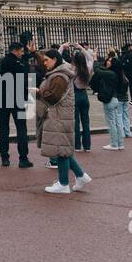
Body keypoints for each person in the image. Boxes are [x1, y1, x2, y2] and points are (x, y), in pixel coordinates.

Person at [38, 49, 92, 194]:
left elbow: (53, 97)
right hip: (62, 116)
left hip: (59, 117)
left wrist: (37, 92)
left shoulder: (59, 77)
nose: (44, 63)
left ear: (55, 60)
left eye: (46, 60)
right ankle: (80, 176)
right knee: (65, 149)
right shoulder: (60, 73)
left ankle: (63, 183)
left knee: (61, 150)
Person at [0, 42, 34, 168]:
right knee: (21, 129)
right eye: (21, 51)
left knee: (3, 129)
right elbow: (26, 72)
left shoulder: (2, 61)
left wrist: (30, 54)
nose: (22, 54)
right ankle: (23, 158)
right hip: (17, 99)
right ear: (16, 51)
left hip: (3, 99)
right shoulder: (17, 64)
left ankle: (4, 157)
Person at [91, 53, 125, 150]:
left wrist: (95, 59)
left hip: (110, 100)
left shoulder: (111, 74)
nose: (107, 62)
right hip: (116, 99)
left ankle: (114, 144)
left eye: (110, 61)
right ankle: (120, 143)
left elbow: (97, 70)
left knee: (111, 123)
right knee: (117, 123)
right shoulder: (117, 73)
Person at [67, 46, 92, 152]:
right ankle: (87, 146)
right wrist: (81, 48)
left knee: (75, 121)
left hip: (75, 95)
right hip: (84, 95)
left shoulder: (71, 69)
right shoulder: (88, 68)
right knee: (86, 122)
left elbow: (58, 59)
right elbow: (90, 58)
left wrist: (62, 47)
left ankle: (77, 145)